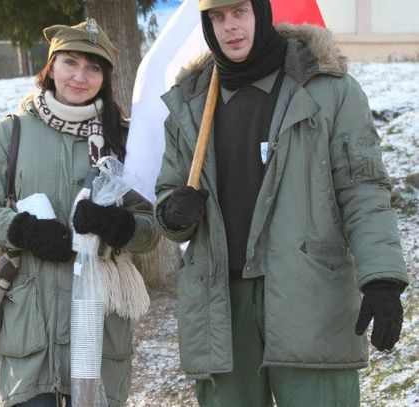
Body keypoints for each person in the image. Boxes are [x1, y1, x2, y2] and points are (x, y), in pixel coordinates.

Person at [153, 0, 409, 406]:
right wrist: (172, 212)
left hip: (308, 296)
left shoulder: (329, 89)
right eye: (217, 18)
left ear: (261, 12)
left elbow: (363, 191)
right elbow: (169, 198)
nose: (229, 27)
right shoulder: (191, 102)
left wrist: (381, 279)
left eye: (239, 12)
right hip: (222, 308)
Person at [0, 20, 159, 407]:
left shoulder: (125, 138)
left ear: (106, 77)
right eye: (70, 62)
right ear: (50, 67)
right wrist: (22, 230)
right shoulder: (13, 132)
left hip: (99, 337)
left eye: (94, 67)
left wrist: (116, 225)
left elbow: (151, 228)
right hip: (31, 338)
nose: (80, 76)